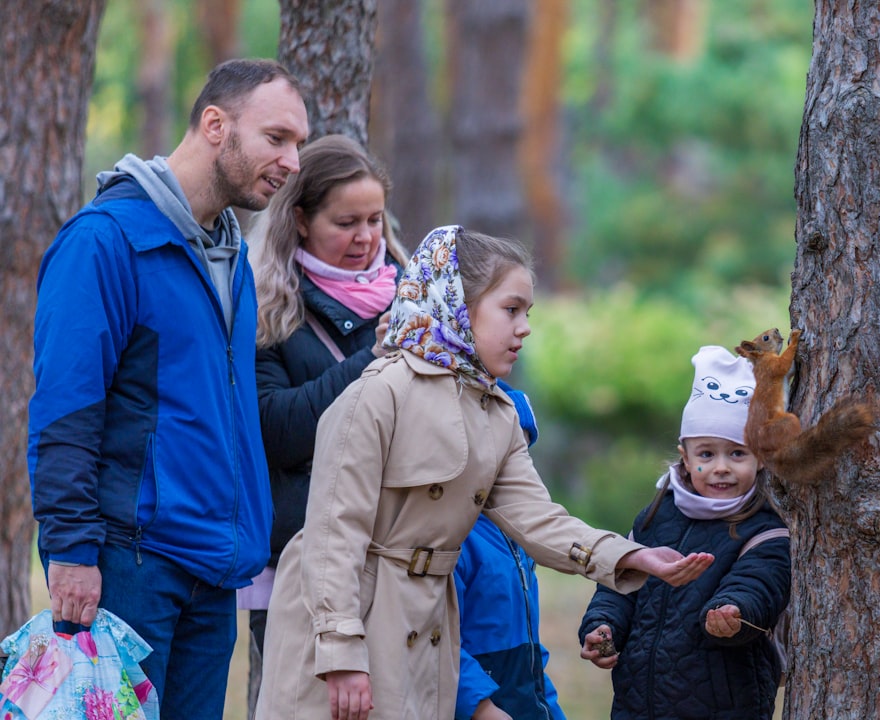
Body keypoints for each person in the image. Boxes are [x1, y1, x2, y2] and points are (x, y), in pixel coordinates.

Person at [255, 225, 714, 720]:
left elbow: (538, 518)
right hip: (349, 623)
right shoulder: (378, 394)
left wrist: (632, 556)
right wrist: (341, 650)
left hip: (426, 625)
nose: (525, 328)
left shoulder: (496, 411)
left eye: (528, 313)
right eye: (511, 309)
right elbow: (333, 534)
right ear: (457, 302)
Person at [26, 58, 309, 718]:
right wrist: (70, 551)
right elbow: (66, 409)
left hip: (213, 572)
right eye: (276, 138)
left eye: (298, 143)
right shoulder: (105, 242)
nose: (293, 162)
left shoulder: (232, 257)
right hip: (129, 568)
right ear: (215, 125)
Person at [243, 134, 407, 660]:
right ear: (300, 220)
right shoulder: (264, 305)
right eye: (346, 223)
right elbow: (277, 431)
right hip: (302, 564)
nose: (366, 238)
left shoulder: (416, 296)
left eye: (375, 219)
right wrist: (371, 359)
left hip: (402, 558)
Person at [578, 345, 791, 720]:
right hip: (637, 704)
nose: (721, 467)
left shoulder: (764, 528)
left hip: (724, 706)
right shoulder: (654, 517)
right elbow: (620, 585)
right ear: (686, 457)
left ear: (760, 457)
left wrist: (733, 610)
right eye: (707, 454)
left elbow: (760, 583)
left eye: (737, 454)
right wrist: (602, 625)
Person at [454, 381, 567, 720]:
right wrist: (480, 707)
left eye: (523, 453)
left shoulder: (520, 535)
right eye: (506, 450)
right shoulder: (455, 537)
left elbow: (530, 650)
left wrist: (550, 709)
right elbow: (440, 641)